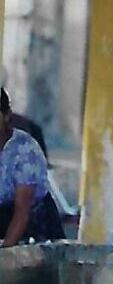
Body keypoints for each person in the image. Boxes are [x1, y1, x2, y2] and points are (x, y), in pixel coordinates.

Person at [0, 86, 65, 247]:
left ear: (7, 117)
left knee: (28, 269)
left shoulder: (24, 150)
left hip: (31, 226)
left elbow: (22, 211)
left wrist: (4, 254)